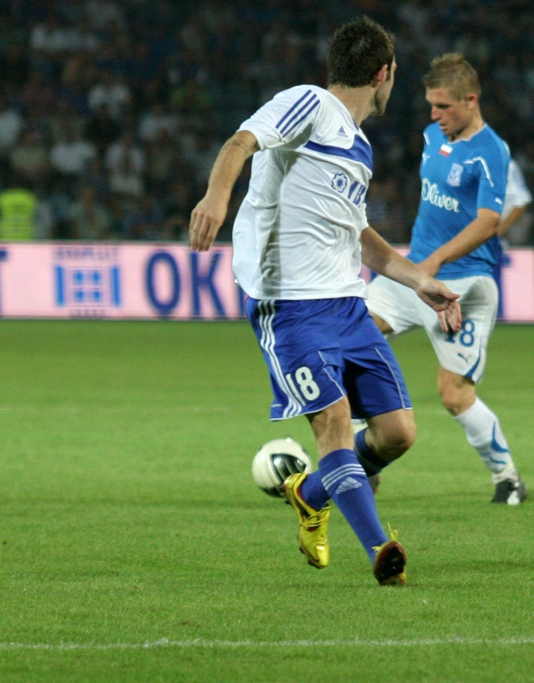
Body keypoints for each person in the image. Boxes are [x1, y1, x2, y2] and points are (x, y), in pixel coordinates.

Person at [188, 17, 461, 586]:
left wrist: (417, 281)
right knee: (334, 424)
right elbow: (242, 140)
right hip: (290, 308)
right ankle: (380, 550)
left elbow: (357, 234)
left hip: (347, 306)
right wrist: (217, 195)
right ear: (384, 74)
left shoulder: (358, 148)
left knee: (397, 434)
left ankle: (310, 494)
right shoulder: (307, 104)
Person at [365, 54, 527, 505]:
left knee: (454, 395)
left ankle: (508, 478)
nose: (433, 116)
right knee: (345, 339)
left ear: (470, 101)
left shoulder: (491, 151)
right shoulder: (432, 136)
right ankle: (364, 461)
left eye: (443, 107)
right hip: (414, 274)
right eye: (431, 106)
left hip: (465, 286)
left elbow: (488, 222)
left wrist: (433, 262)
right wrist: (421, 266)